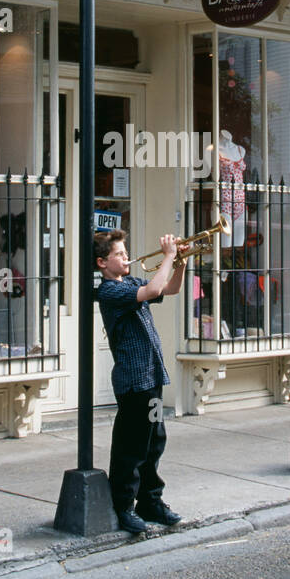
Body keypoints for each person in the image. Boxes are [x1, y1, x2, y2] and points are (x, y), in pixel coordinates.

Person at [94, 228, 188, 534]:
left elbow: (168, 289)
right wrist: (169, 256)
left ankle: (150, 500)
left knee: (154, 440)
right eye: (119, 254)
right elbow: (151, 291)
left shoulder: (130, 280)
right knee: (131, 447)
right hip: (134, 381)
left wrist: (181, 263)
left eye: (124, 251)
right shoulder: (108, 291)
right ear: (101, 263)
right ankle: (123, 506)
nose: (125, 257)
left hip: (152, 376)